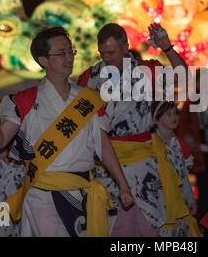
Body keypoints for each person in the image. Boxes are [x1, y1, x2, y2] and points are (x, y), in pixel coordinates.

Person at [0, 26, 134, 237]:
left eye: (70, 51)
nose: (69, 58)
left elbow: (103, 145)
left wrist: (123, 185)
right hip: (43, 196)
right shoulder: (25, 100)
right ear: (43, 60)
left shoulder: (89, 98)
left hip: (83, 192)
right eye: (61, 53)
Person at [78, 22, 188, 236]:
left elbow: (183, 77)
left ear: (125, 46)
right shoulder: (89, 77)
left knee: (148, 225)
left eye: (111, 52)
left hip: (143, 163)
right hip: (104, 164)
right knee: (111, 228)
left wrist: (167, 48)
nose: (106, 58)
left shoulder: (146, 70)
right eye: (102, 53)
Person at [151, 101, 201, 237]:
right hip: (158, 205)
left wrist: (190, 199)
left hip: (179, 203)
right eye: (168, 114)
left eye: (175, 113)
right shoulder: (150, 145)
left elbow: (183, 175)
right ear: (156, 119)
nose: (174, 117)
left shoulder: (180, 144)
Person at [176, 68, 208, 220]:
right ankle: (203, 218)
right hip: (199, 151)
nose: (206, 83)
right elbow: (182, 127)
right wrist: (189, 141)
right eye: (202, 80)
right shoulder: (190, 102)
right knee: (203, 187)